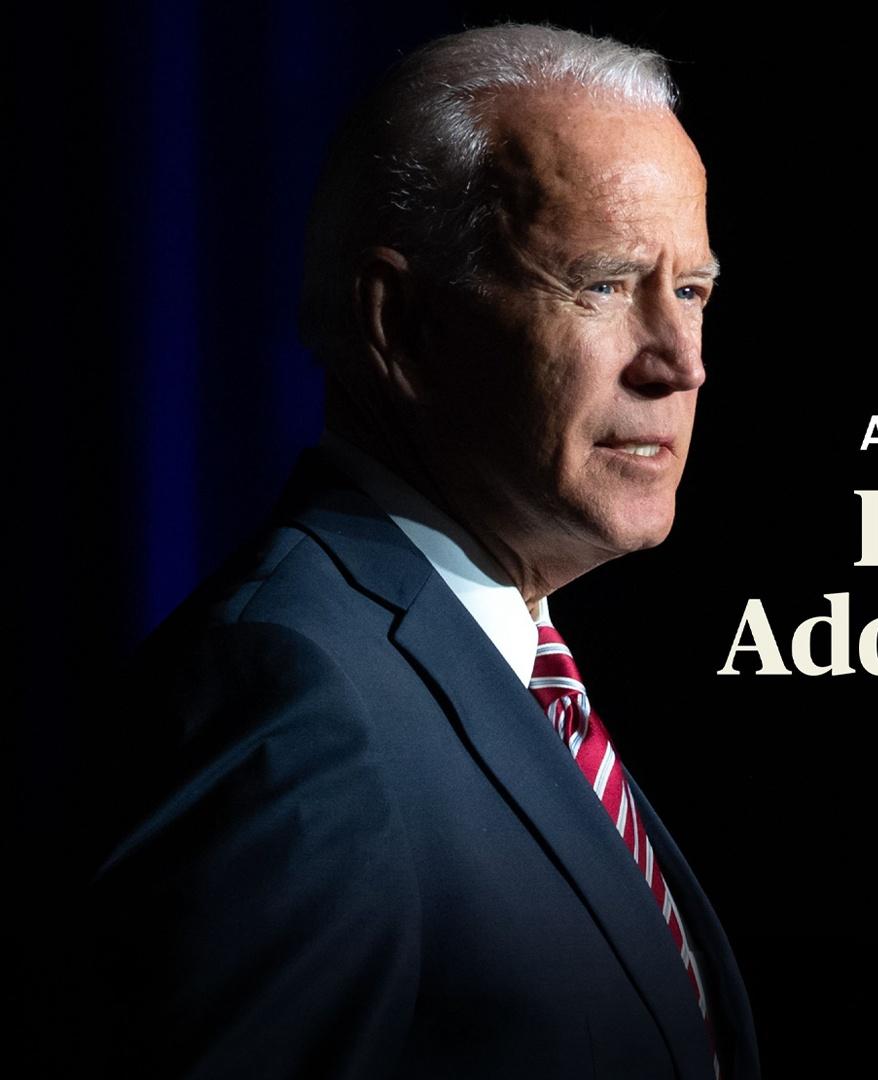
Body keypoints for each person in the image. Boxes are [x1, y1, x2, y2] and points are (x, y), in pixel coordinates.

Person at [74, 23, 757, 1079]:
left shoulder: (506, 660)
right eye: (607, 285)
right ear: (400, 324)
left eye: (695, 291)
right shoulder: (291, 698)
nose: (680, 363)